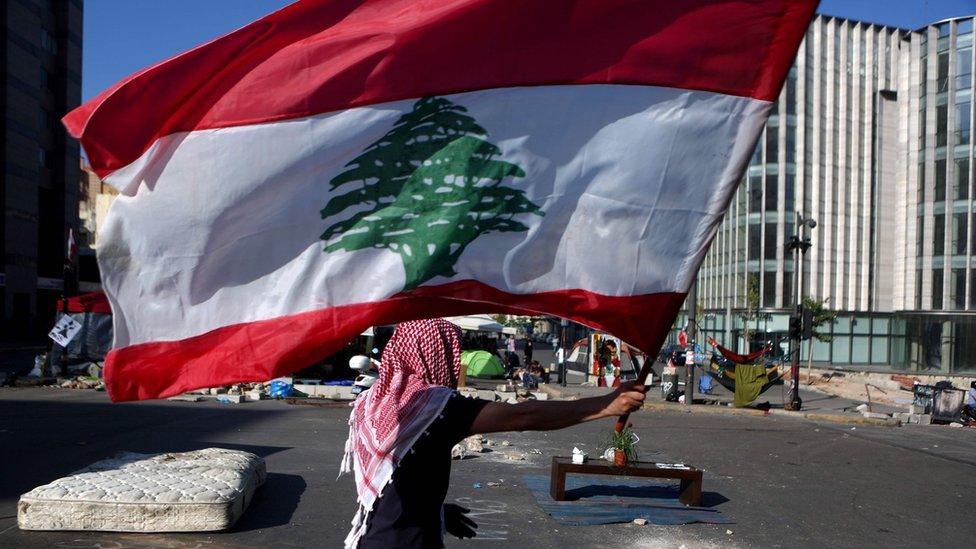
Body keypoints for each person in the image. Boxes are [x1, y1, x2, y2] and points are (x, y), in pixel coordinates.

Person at [340, 319, 646, 548]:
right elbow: (523, 415)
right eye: (450, 353)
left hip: (373, 537)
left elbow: (391, 482)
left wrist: (434, 510)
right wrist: (606, 404)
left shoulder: (374, 401)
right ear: (436, 354)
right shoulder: (433, 408)